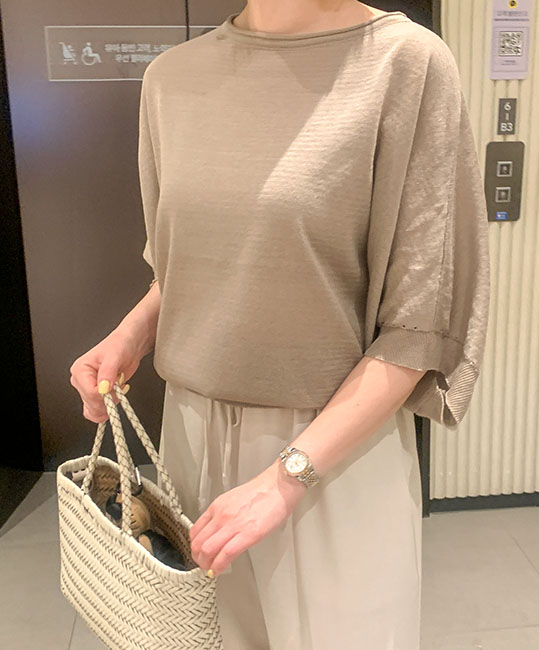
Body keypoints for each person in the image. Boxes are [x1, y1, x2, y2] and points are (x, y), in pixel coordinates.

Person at [70, 1, 491, 648]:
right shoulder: (171, 79)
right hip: (190, 439)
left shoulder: (404, 64)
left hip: (333, 453)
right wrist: (131, 333)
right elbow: (179, 270)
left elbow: (419, 328)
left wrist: (285, 478)